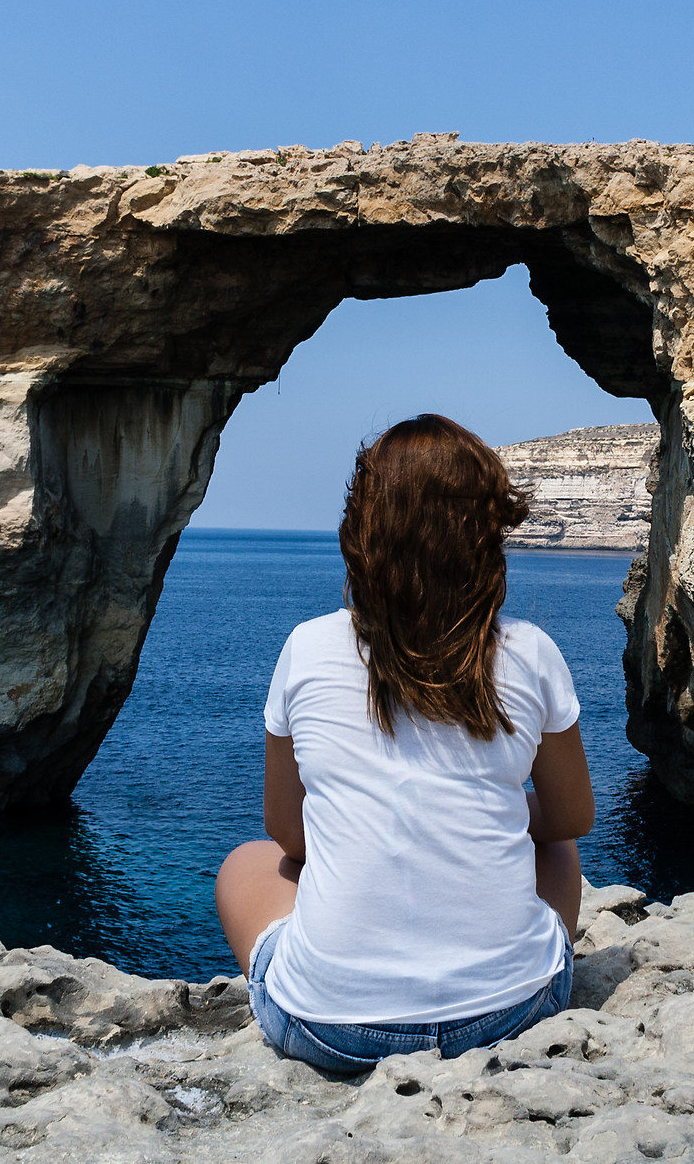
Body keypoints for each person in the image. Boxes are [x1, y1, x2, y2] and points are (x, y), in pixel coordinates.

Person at [214, 413, 596, 1075]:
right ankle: (513, 969)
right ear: (485, 535)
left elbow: (287, 832)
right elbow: (572, 818)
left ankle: (347, 970)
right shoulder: (532, 654)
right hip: (508, 1017)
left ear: (363, 531)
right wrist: (495, 814)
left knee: (245, 864)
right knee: (555, 847)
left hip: (329, 1029)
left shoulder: (307, 648)